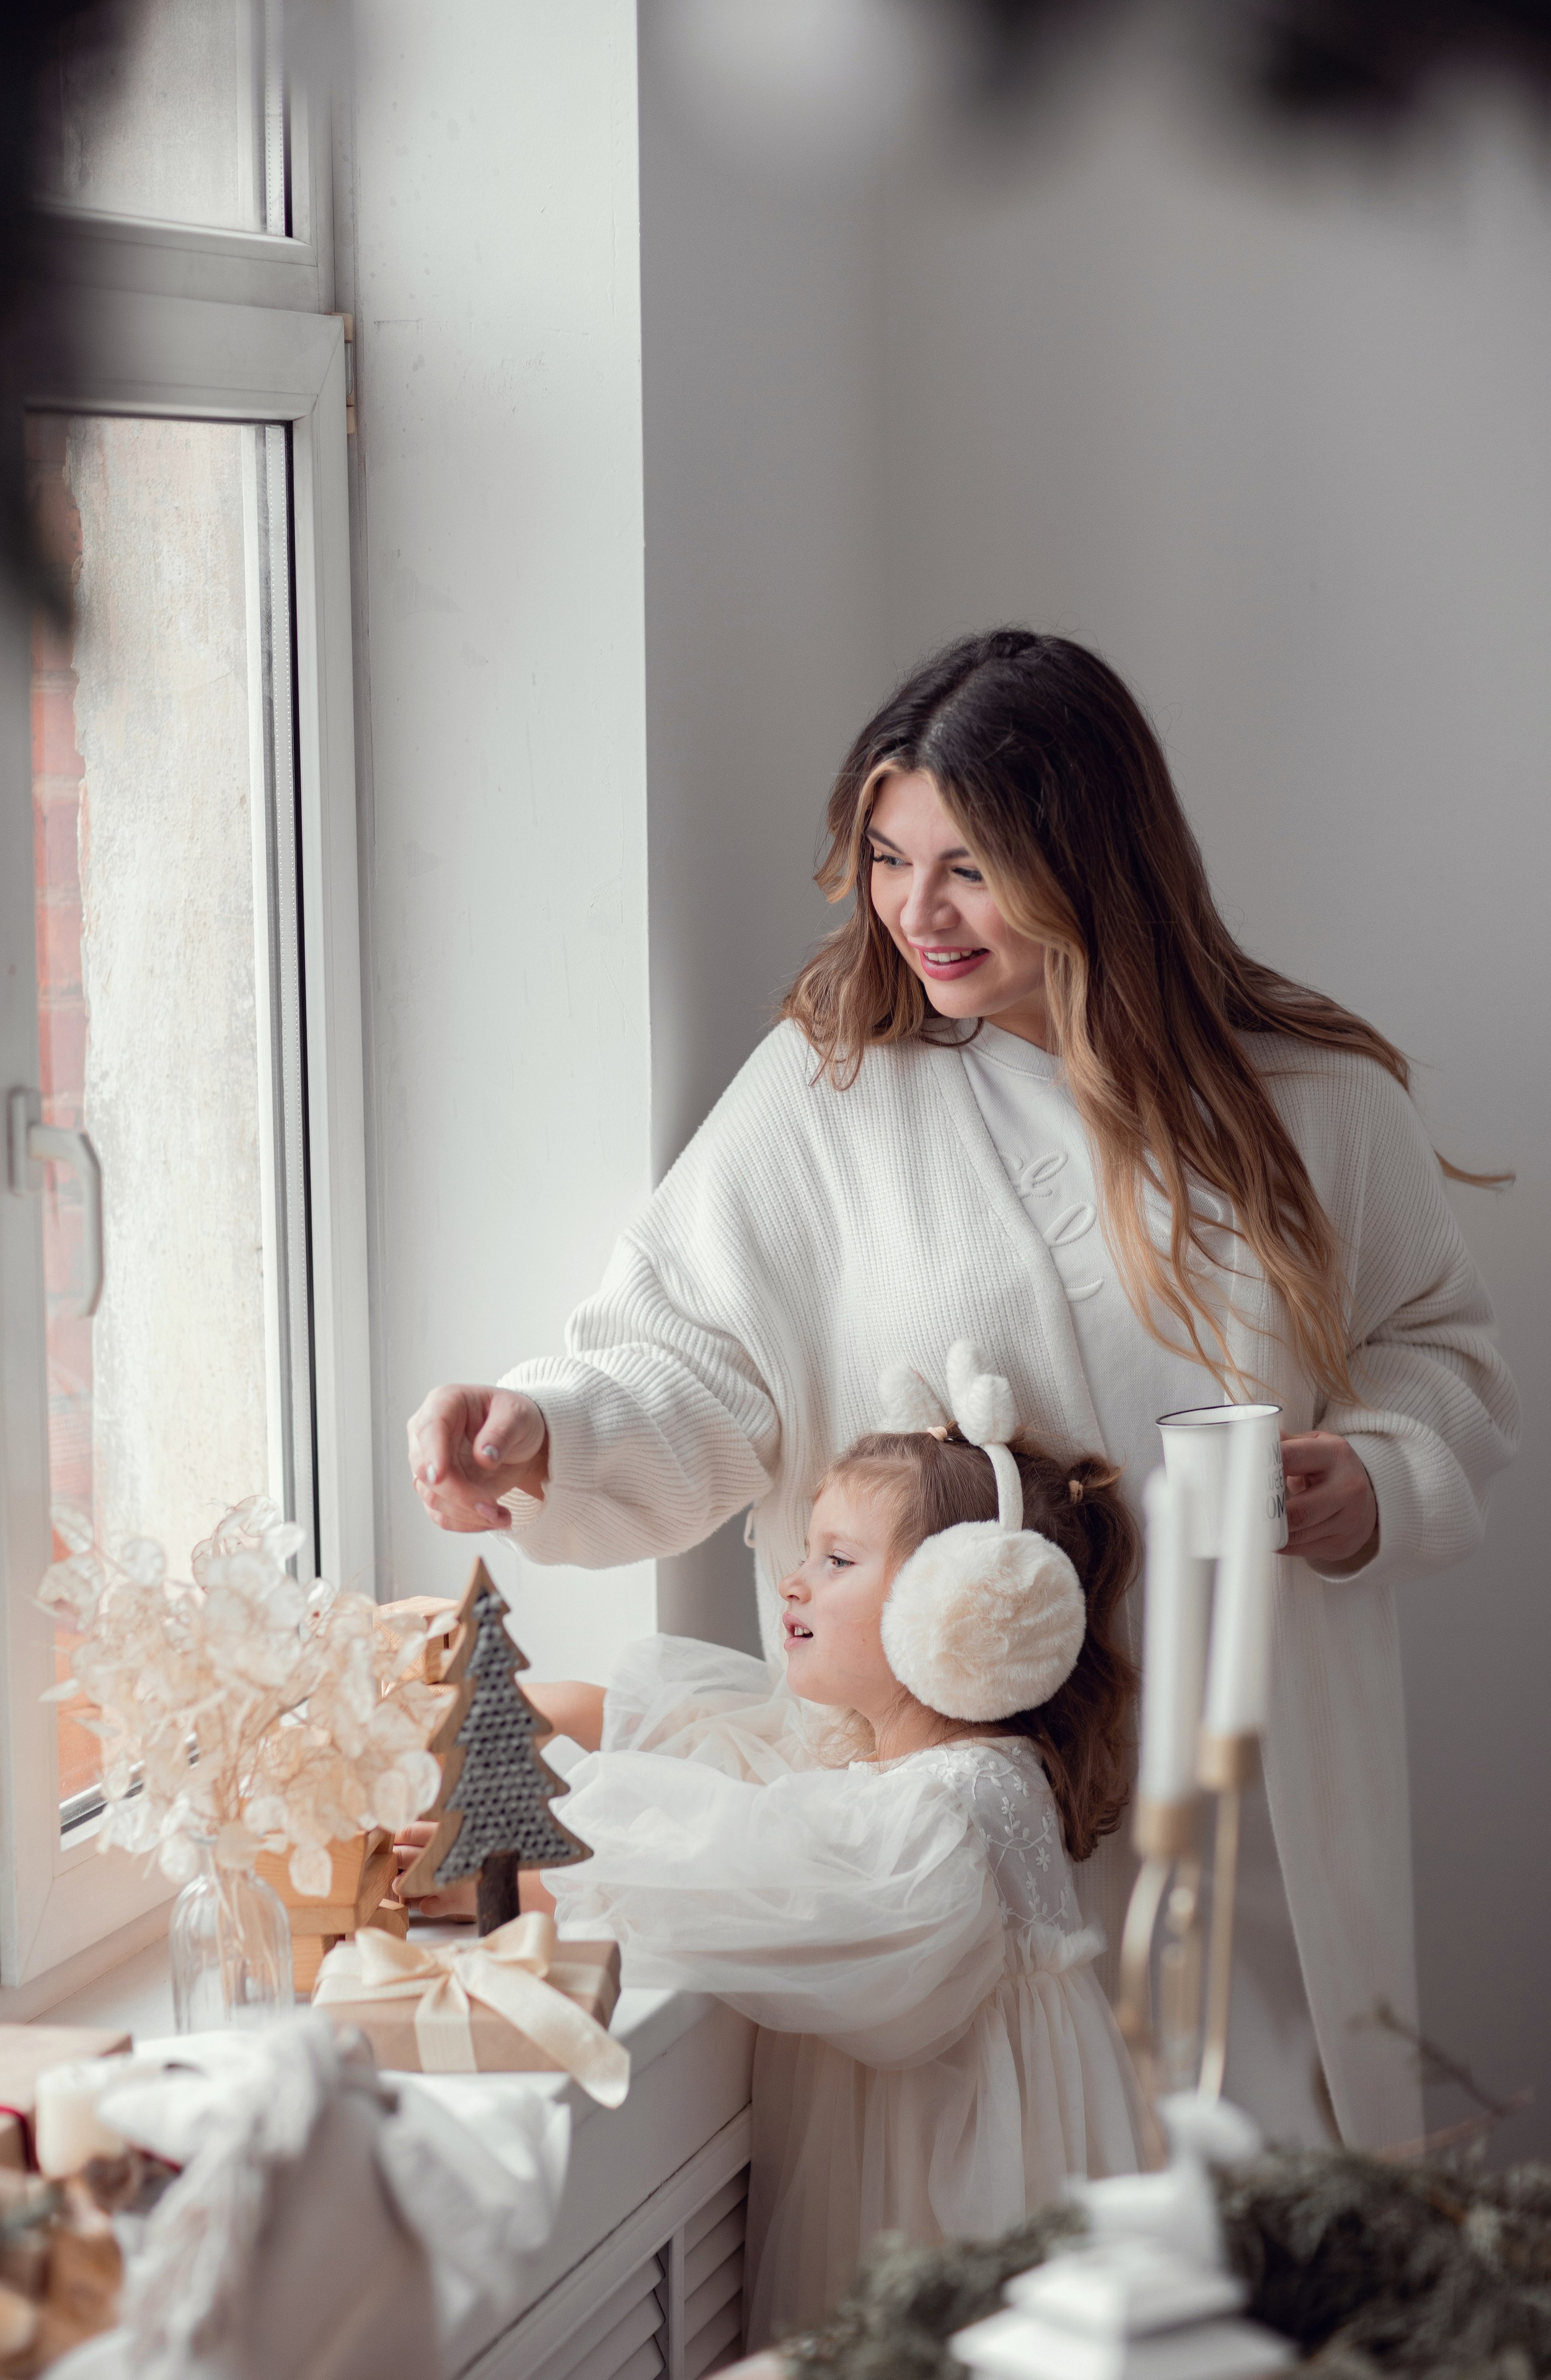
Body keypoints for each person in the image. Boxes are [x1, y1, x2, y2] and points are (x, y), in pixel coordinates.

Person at [409, 629, 1519, 2148]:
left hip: (1232, 1781)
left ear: (1090, 861)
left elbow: (1437, 1350)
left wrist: (1370, 1476)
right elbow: (695, 1363)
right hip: (958, 1815)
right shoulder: (834, 1089)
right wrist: (548, 1431)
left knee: (1262, 2233)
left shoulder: (1310, 1102)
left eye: (969, 867)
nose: (915, 913)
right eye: (884, 858)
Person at [405, 1347, 1151, 2349]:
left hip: (943, 2240)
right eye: (807, 1552)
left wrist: (505, 1872)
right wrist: (468, 1703)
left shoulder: (943, 1818)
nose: (794, 1584)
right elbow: (682, 1735)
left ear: (963, 1608)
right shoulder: (893, 1757)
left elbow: (730, 1876)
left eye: (837, 1562)